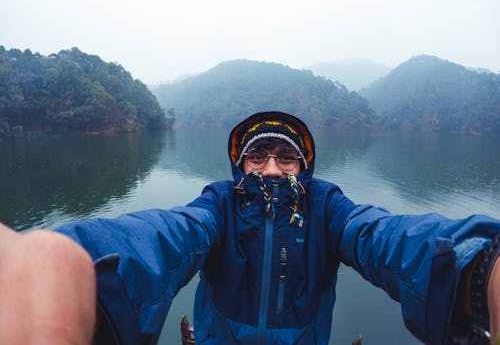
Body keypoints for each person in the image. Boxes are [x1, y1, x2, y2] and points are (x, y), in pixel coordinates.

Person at [0, 111, 499, 345]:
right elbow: (171, 235)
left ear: (303, 167)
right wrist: (83, 269)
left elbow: (381, 237)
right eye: (257, 156)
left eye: (286, 156)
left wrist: (477, 268)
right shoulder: (218, 203)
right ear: (241, 168)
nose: (272, 167)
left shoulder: (327, 206)